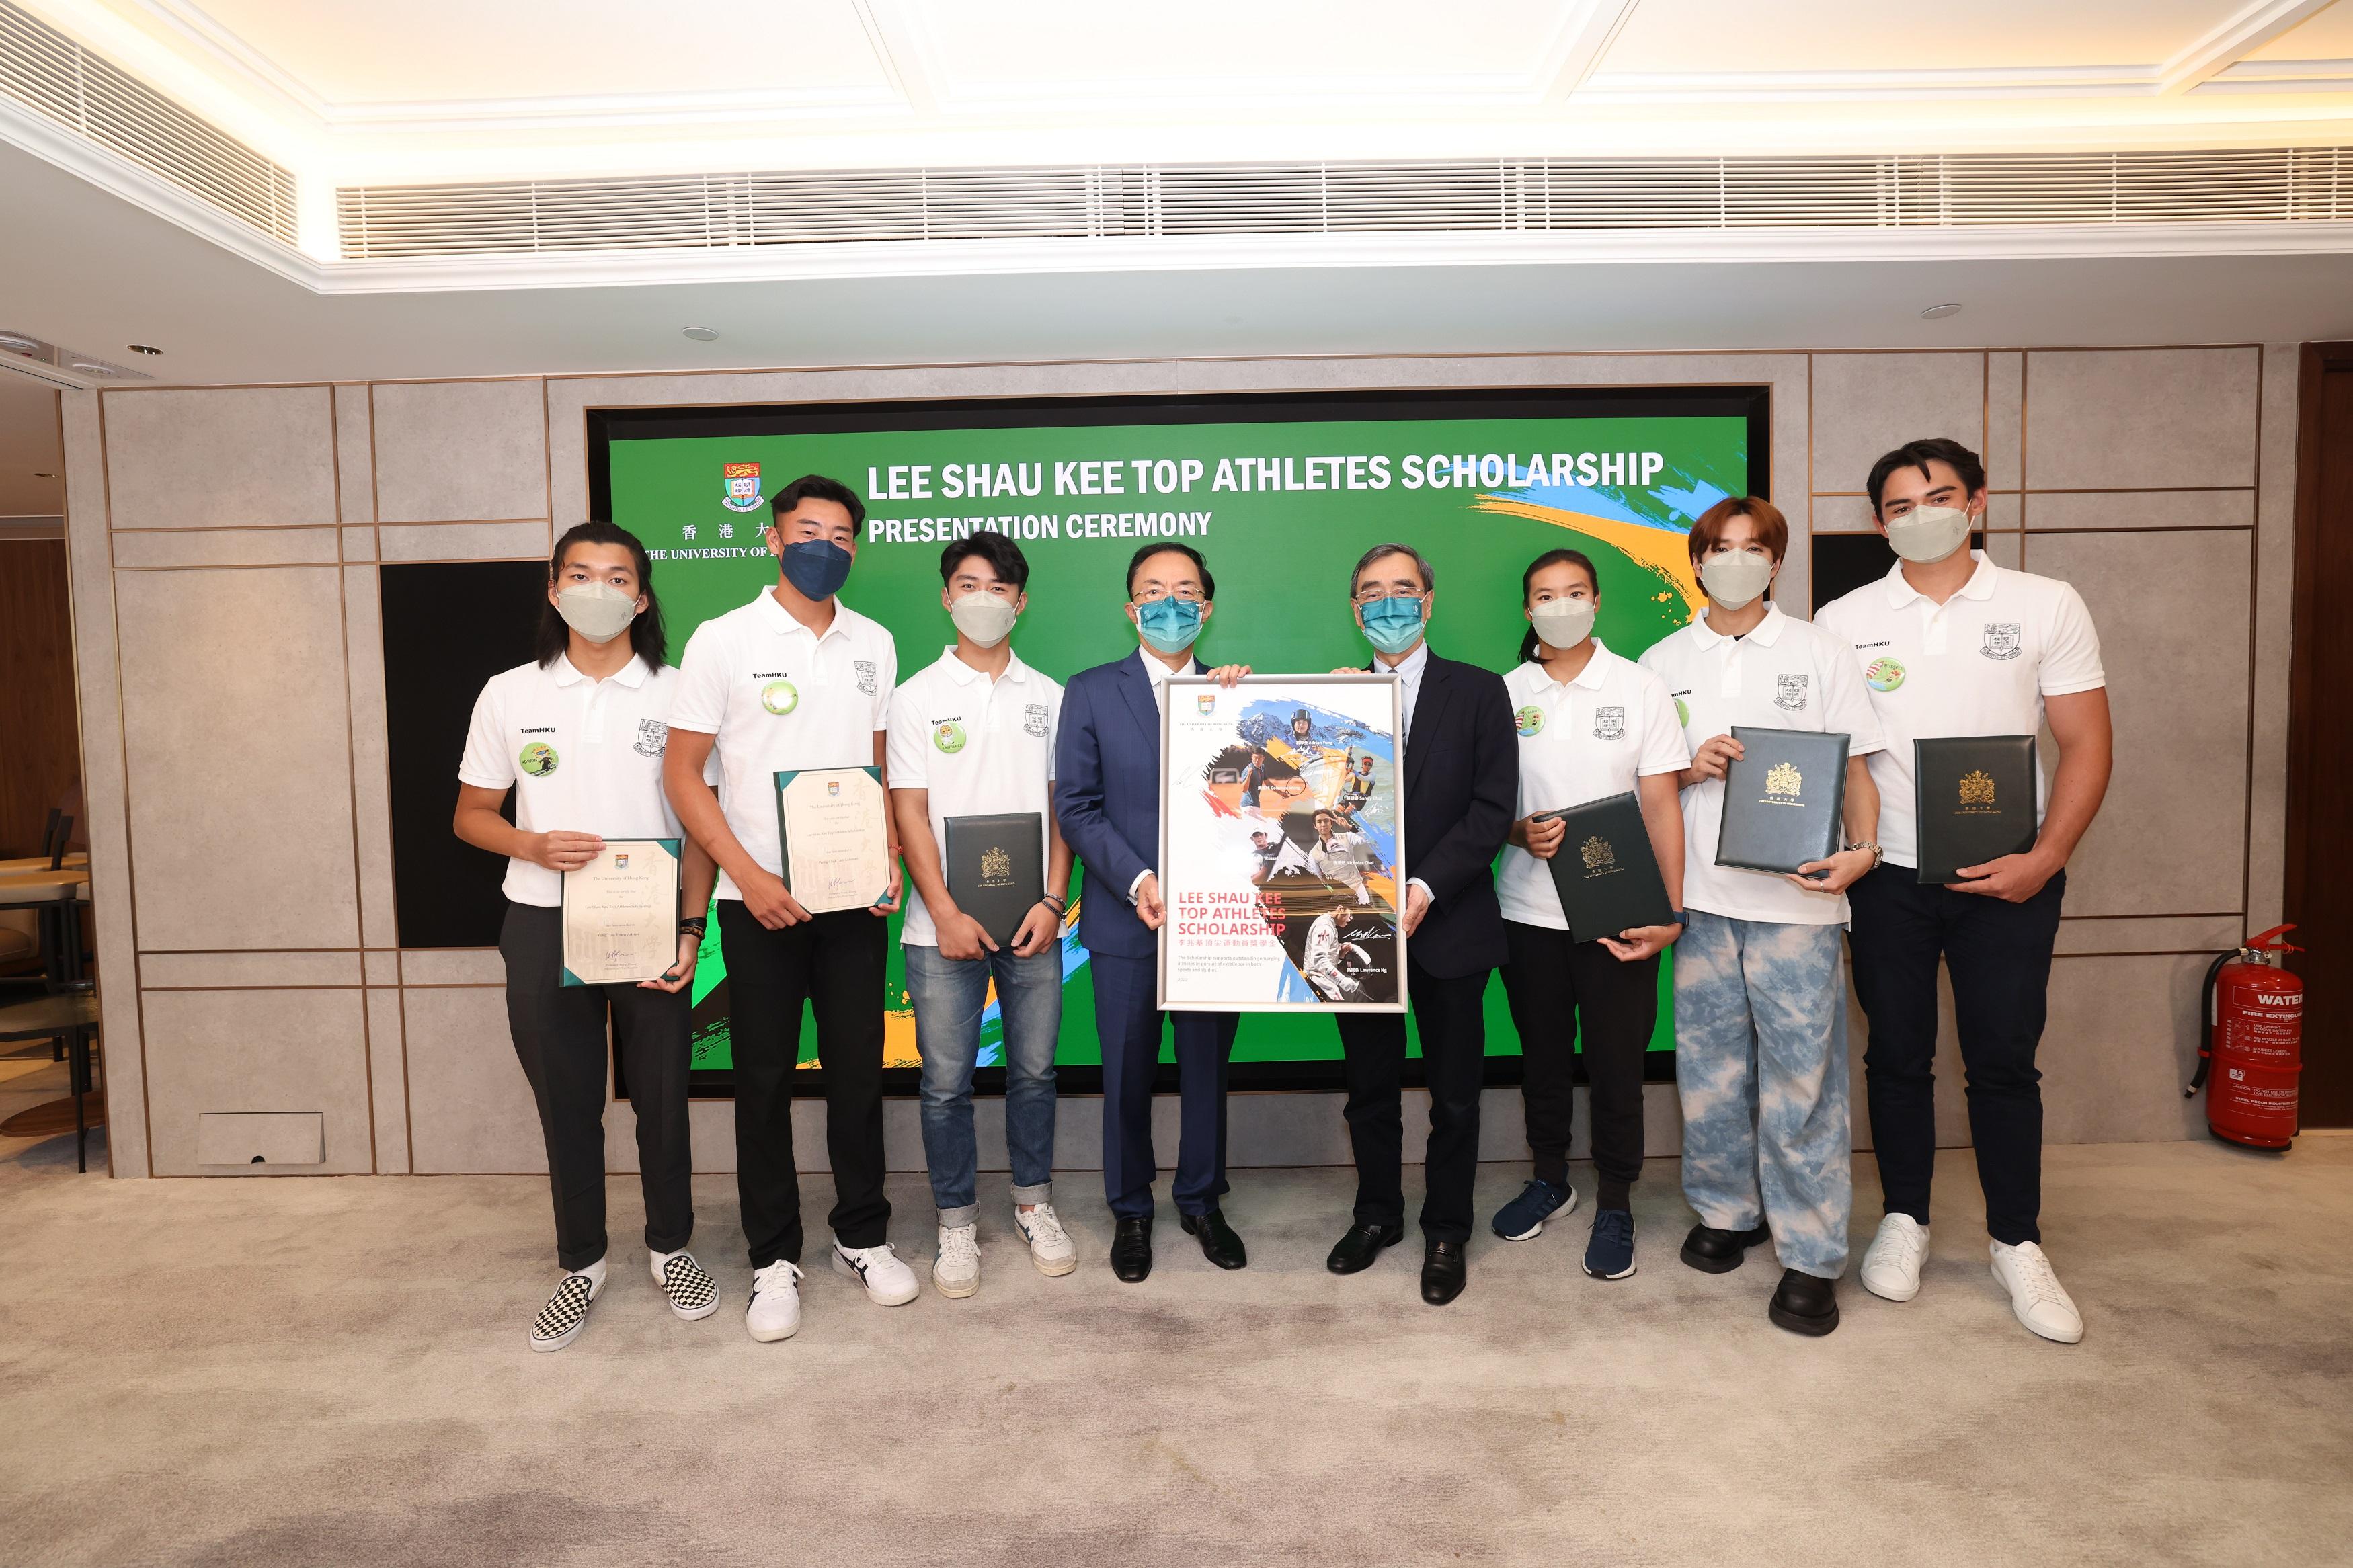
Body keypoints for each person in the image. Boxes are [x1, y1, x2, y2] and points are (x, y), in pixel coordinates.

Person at [1814, 438, 2112, 1344]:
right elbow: (1838, 754)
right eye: (1900, 506)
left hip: (2008, 873)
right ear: (1880, 523)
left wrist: (2047, 855)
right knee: (1896, 1053)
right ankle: (1905, 1217)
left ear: (1977, 501)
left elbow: (2087, 744)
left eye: (1939, 496)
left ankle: (2016, 1240)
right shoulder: (1843, 617)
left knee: (2003, 1061)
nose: (1921, 515)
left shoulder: (2043, 603)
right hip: (1887, 876)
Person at [453, 522, 719, 1352]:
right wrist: (530, 843)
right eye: (580, 574)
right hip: (540, 919)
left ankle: (670, 1247)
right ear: (553, 588)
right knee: (566, 1102)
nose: (596, 590)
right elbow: (469, 816)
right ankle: (581, 1262)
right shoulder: (508, 692)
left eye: (616, 577)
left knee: (662, 1099)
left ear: (641, 597)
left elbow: (703, 828)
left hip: (650, 919)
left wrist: (690, 927)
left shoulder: (680, 691)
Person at [663, 474, 913, 1342]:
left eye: (843, 535)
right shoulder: (722, 639)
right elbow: (683, 775)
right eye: (809, 530)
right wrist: (748, 874)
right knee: (761, 1081)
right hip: (753, 900)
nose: (826, 546)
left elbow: (878, 766)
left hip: (851, 901)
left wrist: (887, 858)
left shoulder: (874, 640)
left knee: (858, 1074)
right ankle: (772, 1258)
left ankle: (863, 1235)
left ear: (857, 547)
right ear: (773, 539)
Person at [1638, 497, 1886, 1336]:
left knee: (1802, 1085)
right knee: (1709, 1072)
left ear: (1775, 562)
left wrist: (1865, 846)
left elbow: (1853, 767)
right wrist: (1688, 767)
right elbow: (1644, 787)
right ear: (1695, 560)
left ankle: (1812, 1252)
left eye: (1752, 548)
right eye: (1719, 548)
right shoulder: (1661, 659)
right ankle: (1725, 1210)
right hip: (1701, 903)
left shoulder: (1820, 650)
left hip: (1797, 903)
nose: (1735, 560)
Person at [1322, 543, 1518, 1306]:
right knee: (1367, 1088)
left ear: (1429, 600)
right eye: (1371, 591)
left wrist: (1425, 882)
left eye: (1403, 589)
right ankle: (1375, 1215)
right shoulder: (1332, 702)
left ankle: (1446, 1229)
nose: (1388, 602)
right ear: (1354, 608)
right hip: (1356, 929)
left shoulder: (1478, 691)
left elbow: (1490, 807)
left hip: (1450, 924)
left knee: (1455, 1095)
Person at [887, 530, 1077, 1298]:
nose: (983, 599)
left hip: (1034, 921)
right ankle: (955, 1219)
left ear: (1020, 602)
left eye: (998, 587)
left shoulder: (1052, 697)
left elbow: (1067, 812)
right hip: (941, 928)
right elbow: (908, 810)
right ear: (945, 595)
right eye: (968, 584)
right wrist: (942, 908)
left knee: (1034, 1072)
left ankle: (1033, 1201)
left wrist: (1053, 900)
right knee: (944, 1083)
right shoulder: (913, 697)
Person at [1053, 542, 1250, 1282]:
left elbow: (1261, 801)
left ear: (1206, 605)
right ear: (1130, 606)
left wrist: (1250, 706)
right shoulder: (1092, 690)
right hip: (1125, 916)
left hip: (1215, 923)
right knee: (1126, 1072)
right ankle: (1131, 1208)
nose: (1170, 603)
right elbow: (1075, 805)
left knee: (1206, 1069)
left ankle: (1201, 1199)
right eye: (1153, 590)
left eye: (1186, 590)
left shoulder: (1237, 692)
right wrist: (1137, 877)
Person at [1492, 548, 1689, 1281]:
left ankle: (1614, 1198)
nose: (1561, 605)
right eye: (1545, 594)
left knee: (1615, 1065)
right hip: (1525, 910)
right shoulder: (1502, 691)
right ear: (1527, 610)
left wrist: (1667, 910)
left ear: (1596, 600)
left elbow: (1662, 805)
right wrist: (1518, 831)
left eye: (1574, 592)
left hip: (1619, 912)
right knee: (1541, 1060)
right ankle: (1550, 1177)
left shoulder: (1640, 687)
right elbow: (1489, 806)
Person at [1306, 807, 1377, 905]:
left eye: (1327, 821)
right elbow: (1317, 879)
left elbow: (1370, 838)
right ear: (1315, 826)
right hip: (1337, 897)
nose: (1323, 825)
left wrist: (1349, 827)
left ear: (1332, 823)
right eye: (1319, 822)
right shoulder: (1313, 853)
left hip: (1359, 891)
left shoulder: (1347, 837)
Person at [1337, 753, 1377, 817]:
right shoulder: (1355, 774)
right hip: (1350, 796)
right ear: (1362, 764)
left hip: (1360, 799)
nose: (1367, 766)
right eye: (1365, 763)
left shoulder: (1372, 775)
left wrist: (1353, 770)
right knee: (1337, 809)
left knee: (1346, 813)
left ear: (1372, 766)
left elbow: (1364, 779)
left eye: (1369, 764)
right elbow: (1343, 780)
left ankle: (1344, 820)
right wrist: (1345, 771)